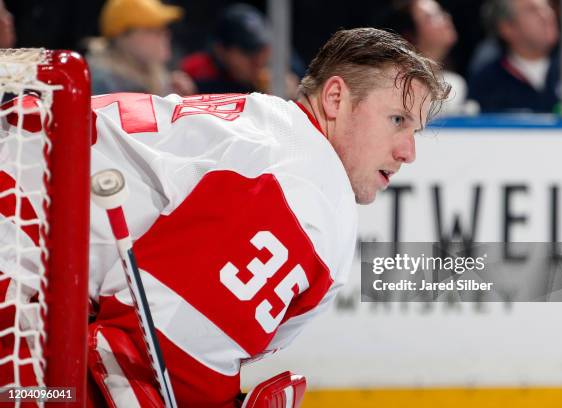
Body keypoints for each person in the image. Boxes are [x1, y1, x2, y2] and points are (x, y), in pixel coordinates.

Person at [1, 28, 449, 406]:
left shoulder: (269, 128)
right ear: (335, 98)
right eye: (396, 119)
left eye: (415, 130)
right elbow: (155, 354)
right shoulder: (306, 189)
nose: (407, 151)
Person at [468, 0, 562, 113]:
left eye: (548, 6)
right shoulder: (486, 83)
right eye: (533, 10)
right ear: (507, 28)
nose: (547, 15)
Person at [180, 3, 300, 98]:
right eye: (248, 51)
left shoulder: (277, 70)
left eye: (260, 49)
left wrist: (292, 99)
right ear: (220, 50)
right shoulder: (197, 75)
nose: (258, 60)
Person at [377, 0, 476, 115]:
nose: (446, 17)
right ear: (409, 36)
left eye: (441, 12)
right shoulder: (394, 86)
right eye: (431, 17)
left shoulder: (454, 84)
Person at [86, 0, 195, 96]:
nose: (165, 35)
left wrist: (179, 100)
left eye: (163, 28)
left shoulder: (155, 73)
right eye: (152, 29)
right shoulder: (102, 81)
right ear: (124, 36)